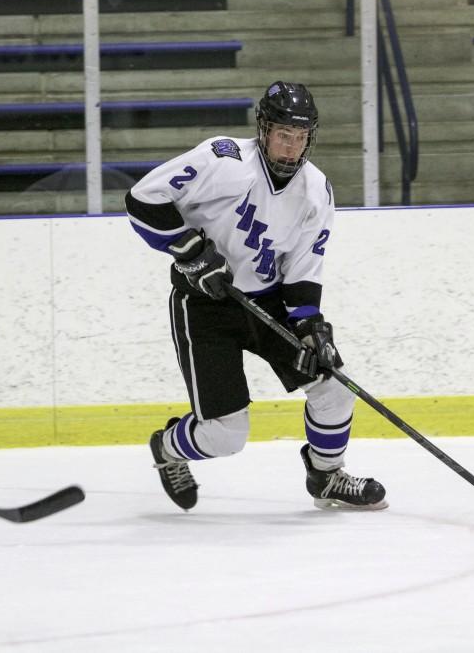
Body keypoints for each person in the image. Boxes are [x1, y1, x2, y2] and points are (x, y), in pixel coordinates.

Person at [124, 81, 387, 512]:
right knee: (225, 437)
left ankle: (326, 476)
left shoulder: (316, 189)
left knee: (335, 388)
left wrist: (310, 326)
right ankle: (168, 449)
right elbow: (143, 200)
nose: (290, 148)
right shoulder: (221, 157)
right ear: (263, 129)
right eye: (283, 134)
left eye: (300, 137)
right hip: (204, 306)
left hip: (268, 305)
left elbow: (302, 270)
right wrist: (191, 252)